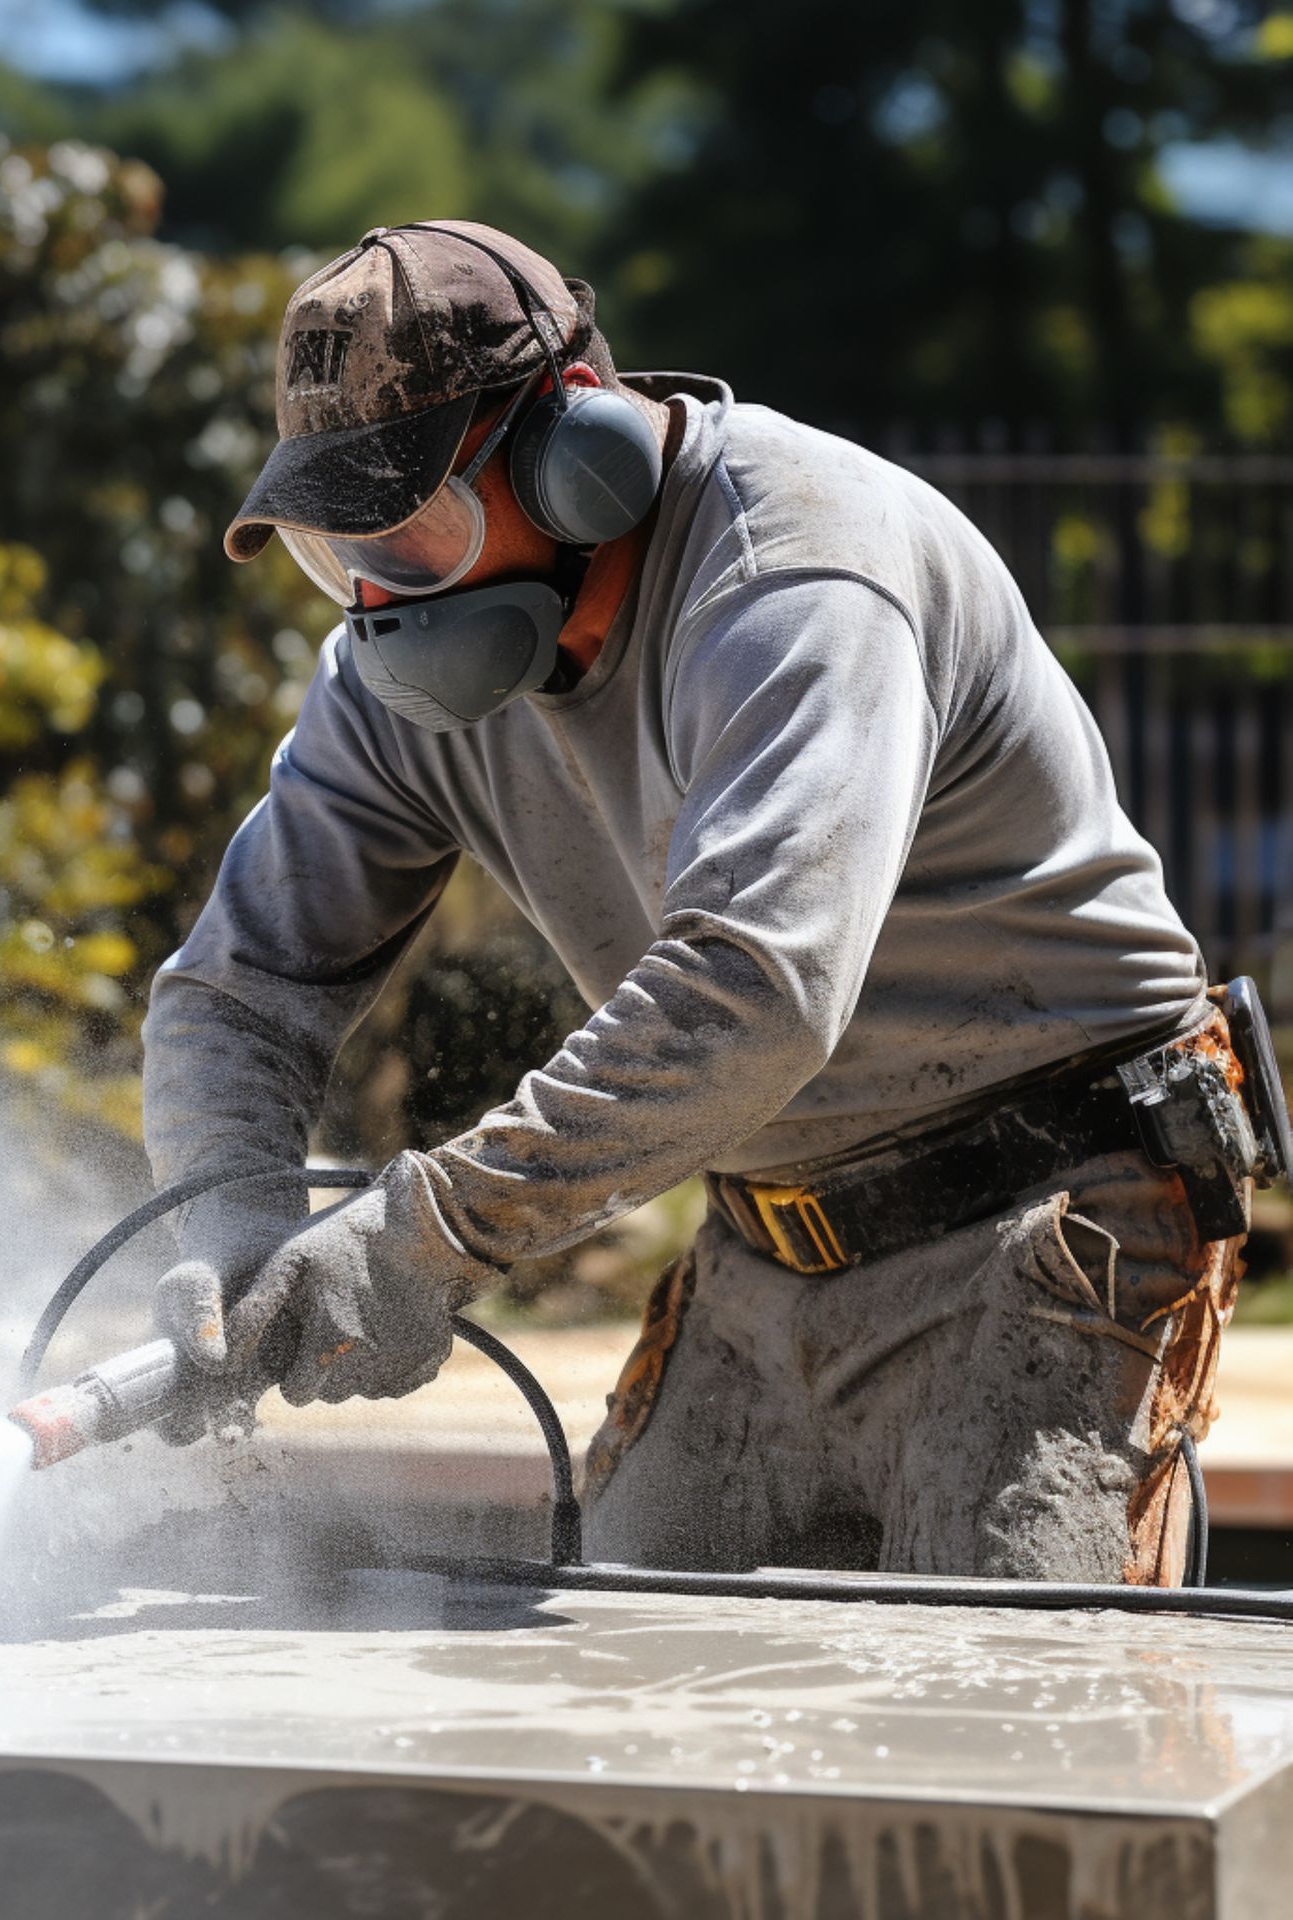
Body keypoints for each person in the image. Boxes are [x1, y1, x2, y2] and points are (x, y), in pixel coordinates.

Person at [141, 219, 1263, 1585]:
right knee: (634, 1680)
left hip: (1052, 1212)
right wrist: (231, 1223)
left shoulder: (796, 568)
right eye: (339, 551)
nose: (378, 598)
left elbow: (753, 991)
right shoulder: (385, 685)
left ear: (578, 455)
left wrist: (426, 1238)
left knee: (1020, 1725)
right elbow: (238, 990)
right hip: (765, 1236)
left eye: (417, 530)